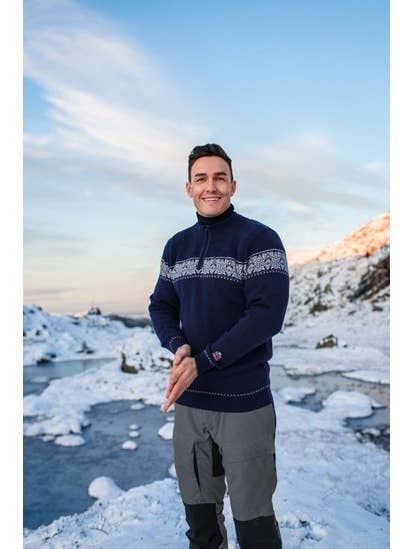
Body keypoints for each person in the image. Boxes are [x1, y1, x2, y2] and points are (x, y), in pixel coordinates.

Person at [148, 143, 289, 549]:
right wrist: (178, 347)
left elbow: (266, 317)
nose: (211, 186)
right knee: (201, 521)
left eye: (220, 177)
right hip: (192, 407)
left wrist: (205, 360)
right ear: (188, 188)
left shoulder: (260, 239)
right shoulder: (176, 246)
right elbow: (160, 305)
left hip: (244, 405)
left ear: (233, 185)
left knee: (254, 522)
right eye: (202, 178)